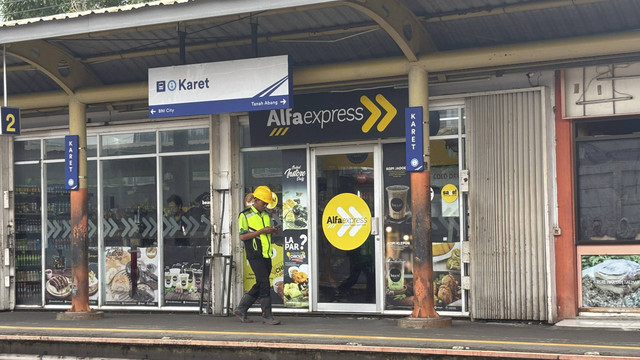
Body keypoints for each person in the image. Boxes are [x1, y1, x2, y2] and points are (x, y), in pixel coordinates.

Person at [233, 186, 280, 325]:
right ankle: (267, 316)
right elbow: (242, 236)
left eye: (266, 203)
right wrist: (261, 231)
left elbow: (263, 233)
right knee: (264, 283)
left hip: (266, 253)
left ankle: (241, 309)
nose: (265, 205)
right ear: (255, 200)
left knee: (261, 282)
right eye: (263, 202)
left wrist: (270, 231)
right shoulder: (245, 215)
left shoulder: (265, 215)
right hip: (254, 253)